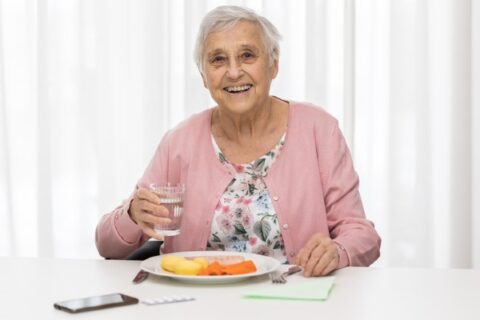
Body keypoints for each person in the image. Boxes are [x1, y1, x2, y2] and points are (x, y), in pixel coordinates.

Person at [95, 5, 381, 277]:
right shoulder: (179, 142)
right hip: (198, 304)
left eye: (247, 55)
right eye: (218, 59)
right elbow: (106, 243)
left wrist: (338, 250)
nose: (233, 72)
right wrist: (132, 215)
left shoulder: (319, 130)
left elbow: (362, 234)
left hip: (296, 301)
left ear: (273, 65)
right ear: (204, 76)